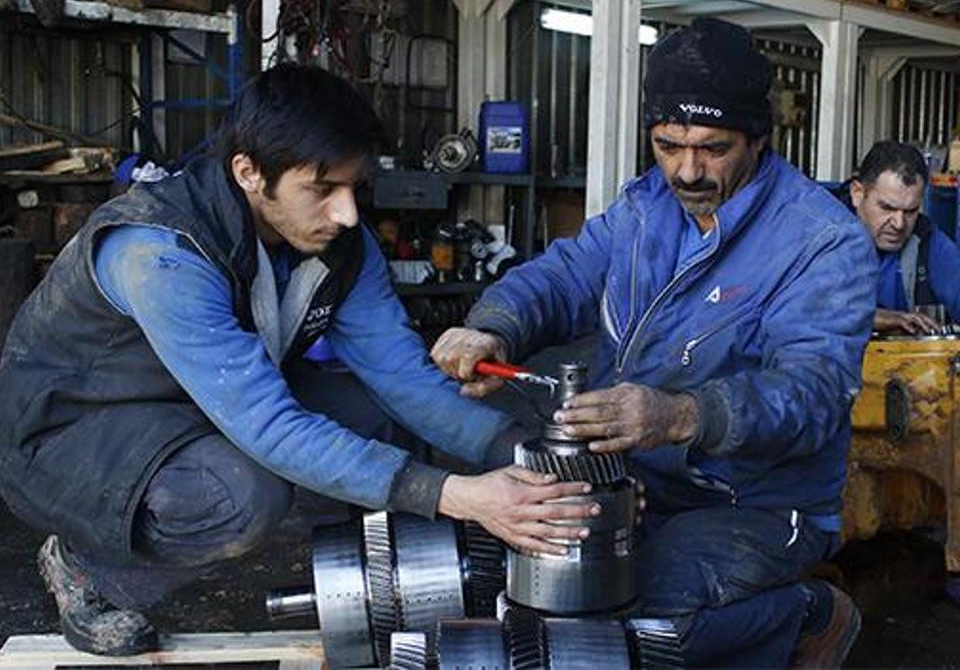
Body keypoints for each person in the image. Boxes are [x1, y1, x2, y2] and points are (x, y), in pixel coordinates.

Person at [0, 64, 593, 657]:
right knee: (241, 493)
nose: (348, 214)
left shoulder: (339, 245)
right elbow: (268, 426)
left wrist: (531, 461)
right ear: (248, 173)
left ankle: (378, 589)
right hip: (74, 430)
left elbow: (402, 377)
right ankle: (89, 570)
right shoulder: (161, 254)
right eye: (322, 189)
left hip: (202, 402)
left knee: (379, 418)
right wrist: (458, 495)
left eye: (353, 188)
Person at [432, 18, 876, 669]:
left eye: (712, 147)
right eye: (668, 144)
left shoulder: (822, 242)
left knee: (635, 622)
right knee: (501, 574)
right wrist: (495, 323)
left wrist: (678, 414)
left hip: (751, 503)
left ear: (759, 138)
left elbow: (811, 394)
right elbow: (565, 274)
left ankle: (807, 613)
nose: (687, 170)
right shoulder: (644, 209)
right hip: (633, 481)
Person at [845, 141, 960, 336]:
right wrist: (874, 318)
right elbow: (807, 304)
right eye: (887, 208)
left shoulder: (924, 238)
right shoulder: (821, 238)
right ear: (857, 194)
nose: (899, 224)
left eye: (910, 211)